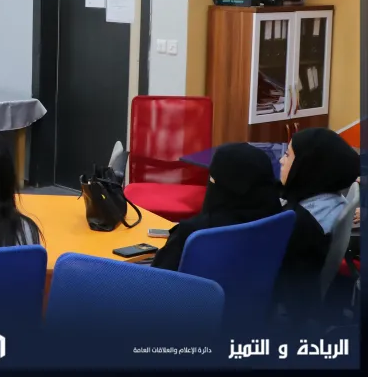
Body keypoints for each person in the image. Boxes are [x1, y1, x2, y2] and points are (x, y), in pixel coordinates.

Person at [150, 142, 282, 271]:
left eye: (212, 179)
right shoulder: (280, 222)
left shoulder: (194, 234)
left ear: (225, 186)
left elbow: (156, 278)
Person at [274, 128, 360, 323]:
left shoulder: (300, 223)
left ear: (307, 166)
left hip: (291, 306)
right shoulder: (332, 199)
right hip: (315, 296)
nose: (281, 160)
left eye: (287, 155)